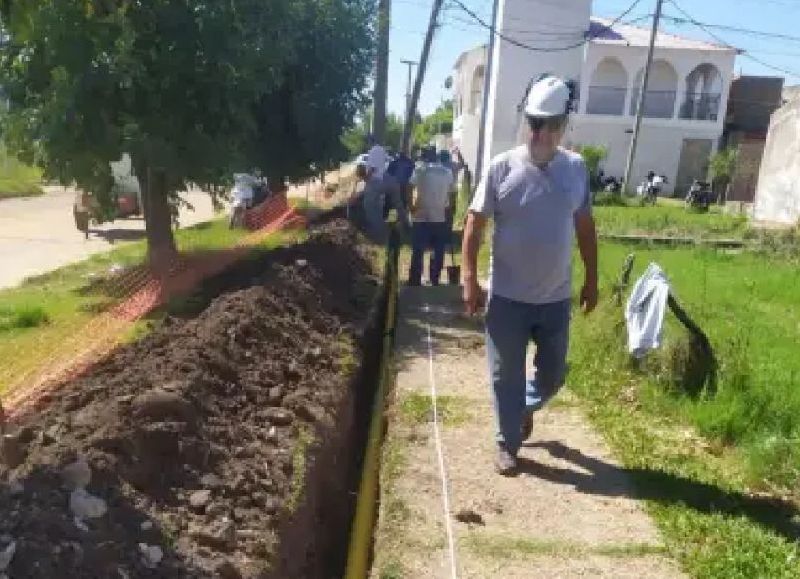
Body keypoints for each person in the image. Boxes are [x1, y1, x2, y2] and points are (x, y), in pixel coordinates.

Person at [461, 74, 598, 475]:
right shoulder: (502, 168)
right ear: (527, 122)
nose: (541, 132)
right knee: (505, 376)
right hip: (506, 299)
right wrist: (469, 279)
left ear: (562, 126)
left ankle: (523, 408)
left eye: (550, 125)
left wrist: (591, 278)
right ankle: (507, 442)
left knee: (553, 374)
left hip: (555, 298)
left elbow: (586, 227)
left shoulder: (575, 170)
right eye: (535, 123)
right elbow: (473, 223)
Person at [408, 147, 454, 286]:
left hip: (421, 215)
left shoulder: (420, 169)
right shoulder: (447, 172)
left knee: (418, 249)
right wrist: (449, 210)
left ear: (425, 157)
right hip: (439, 216)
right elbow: (452, 194)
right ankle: (434, 279)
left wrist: (411, 206)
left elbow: (408, 187)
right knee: (438, 249)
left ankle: (415, 280)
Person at [353, 162, 387, 242]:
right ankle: (377, 237)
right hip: (374, 205)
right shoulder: (367, 181)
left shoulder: (373, 181)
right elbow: (363, 191)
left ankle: (378, 239)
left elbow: (380, 191)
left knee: (375, 221)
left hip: (375, 205)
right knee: (374, 221)